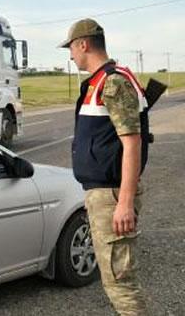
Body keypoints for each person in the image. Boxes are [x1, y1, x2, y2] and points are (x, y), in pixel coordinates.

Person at [58, 18, 149, 315]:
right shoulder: (102, 81)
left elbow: (132, 143)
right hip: (104, 194)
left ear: (83, 44)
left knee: (120, 284)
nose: (70, 55)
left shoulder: (112, 82)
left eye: (71, 48)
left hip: (112, 195)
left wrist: (124, 201)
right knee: (115, 281)